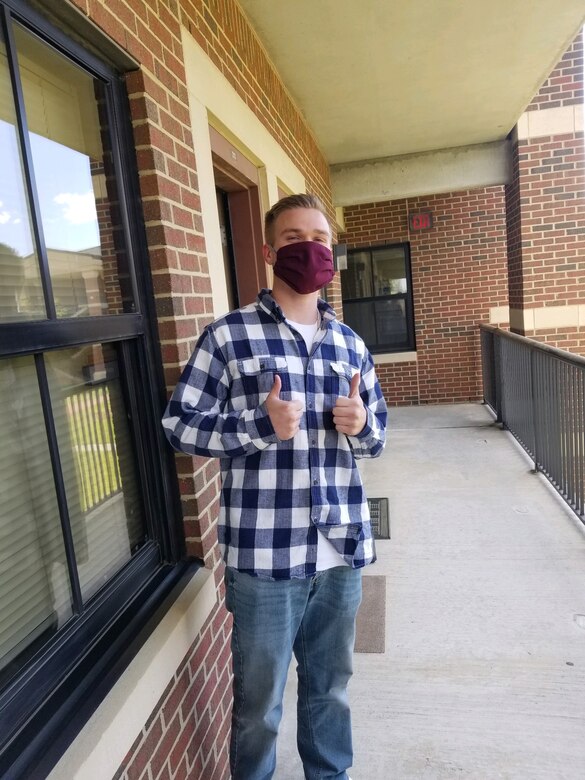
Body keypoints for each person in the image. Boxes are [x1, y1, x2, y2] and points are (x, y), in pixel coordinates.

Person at [162, 193, 387, 780]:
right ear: (269, 251)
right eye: (292, 238)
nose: (308, 248)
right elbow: (179, 426)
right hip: (265, 559)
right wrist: (259, 426)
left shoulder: (350, 345)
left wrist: (362, 426)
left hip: (341, 552)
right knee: (259, 709)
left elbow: (378, 434)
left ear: (331, 253)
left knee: (330, 693)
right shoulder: (227, 337)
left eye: (318, 237)